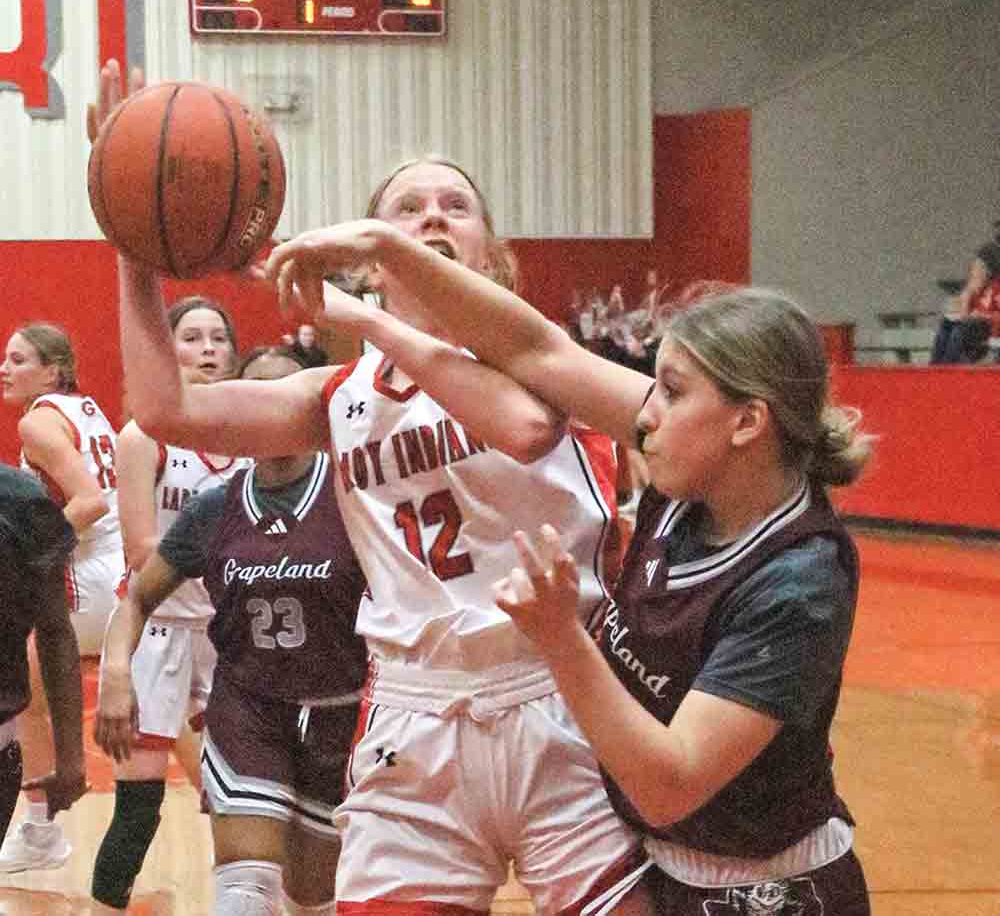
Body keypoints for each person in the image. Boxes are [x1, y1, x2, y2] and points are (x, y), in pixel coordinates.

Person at [98, 53, 651, 914]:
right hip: (411, 710)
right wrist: (136, 246)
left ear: (490, 252)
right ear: (368, 255)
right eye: (407, 206)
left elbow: (522, 422)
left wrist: (361, 309)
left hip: (562, 692)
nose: (433, 214)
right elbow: (166, 410)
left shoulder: (549, 355)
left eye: (454, 205)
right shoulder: (339, 396)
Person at [266, 225, 875, 914]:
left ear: (746, 423)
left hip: (766, 890)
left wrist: (560, 635)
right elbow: (538, 349)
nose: (648, 411)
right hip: (668, 870)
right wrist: (382, 250)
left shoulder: (797, 582)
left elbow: (666, 783)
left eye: (672, 391)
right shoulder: (696, 468)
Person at [96, 345, 368, 916]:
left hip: (341, 711)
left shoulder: (354, 494)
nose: (270, 411)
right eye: (256, 398)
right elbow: (138, 596)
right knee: (245, 893)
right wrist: (117, 671)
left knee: (312, 899)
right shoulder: (214, 508)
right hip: (249, 709)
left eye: (285, 398)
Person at [90, 296, 247, 914]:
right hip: (155, 629)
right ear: (167, 349)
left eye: (218, 338)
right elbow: (138, 549)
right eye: (192, 337)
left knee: (243, 796)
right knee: (138, 808)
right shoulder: (144, 437)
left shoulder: (251, 436)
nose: (208, 349)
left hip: (229, 634)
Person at [0, 321, 123, 873]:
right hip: (122, 569)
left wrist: (26, 550)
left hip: (89, 571)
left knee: (21, 676)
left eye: (19, 359)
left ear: (52, 370)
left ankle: (40, 825)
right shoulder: (86, 409)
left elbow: (90, 502)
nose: (5, 368)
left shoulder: (37, 424)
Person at [0, 465, 88, 851]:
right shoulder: (23, 495)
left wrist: (70, 758)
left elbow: (55, 631)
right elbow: (54, 631)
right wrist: (70, 757)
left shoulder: (23, 499)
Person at [931, 222, 1000, 364]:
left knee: (961, 331)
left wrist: (984, 314)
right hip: (984, 315)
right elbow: (973, 287)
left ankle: (948, 372)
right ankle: (934, 369)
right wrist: (965, 308)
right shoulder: (987, 278)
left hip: (992, 320)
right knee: (947, 325)